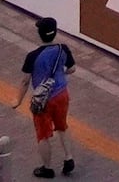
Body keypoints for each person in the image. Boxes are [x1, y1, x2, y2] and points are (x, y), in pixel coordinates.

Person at [20, 20, 78, 178]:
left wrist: (17, 101)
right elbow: (72, 68)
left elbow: (25, 81)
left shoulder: (32, 56)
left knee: (43, 134)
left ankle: (47, 168)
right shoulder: (62, 49)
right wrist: (59, 74)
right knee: (62, 127)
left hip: (43, 100)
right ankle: (69, 158)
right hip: (61, 95)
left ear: (40, 34)